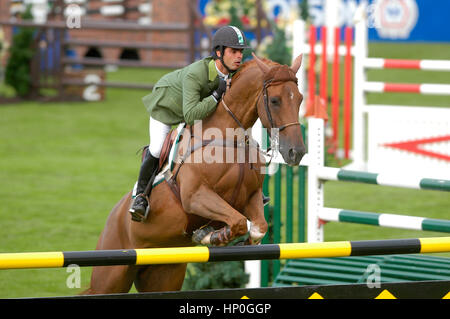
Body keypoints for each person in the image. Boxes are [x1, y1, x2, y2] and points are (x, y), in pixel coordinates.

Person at [129, 25, 268, 222]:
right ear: (219, 52)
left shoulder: (233, 72)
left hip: (196, 108)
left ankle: (251, 190)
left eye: (241, 51)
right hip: (168, 109)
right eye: (233, 51)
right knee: (159, 149)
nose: (238, 56)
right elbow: (191, 115)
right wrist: (216, 95)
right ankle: (141, 196)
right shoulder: (196, 74)